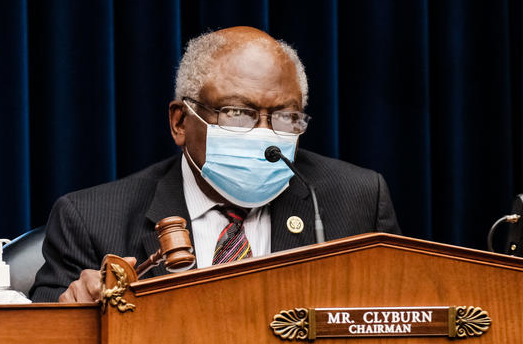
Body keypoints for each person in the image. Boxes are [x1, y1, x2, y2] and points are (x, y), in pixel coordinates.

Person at [30, 26, 400, 303]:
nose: (265, 134)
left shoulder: (357, 202)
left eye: (285, 117)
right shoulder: (90, 220)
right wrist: (79, 318)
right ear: (180, 122)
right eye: (237, 113)